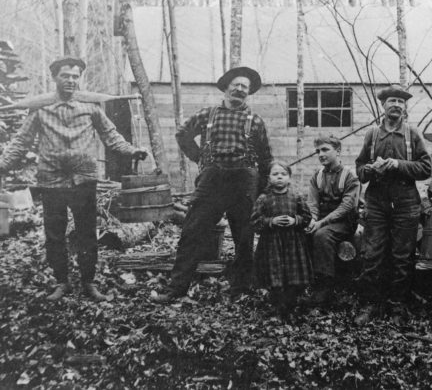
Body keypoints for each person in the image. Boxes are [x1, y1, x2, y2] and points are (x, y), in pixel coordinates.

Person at [0, 56, 148, 302]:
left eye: (75, 76)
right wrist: (2, 164)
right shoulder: (40, 108)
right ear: (55, 77)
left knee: (87, 234)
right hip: (51, 181)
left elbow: (111, 136)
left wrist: (132, 150)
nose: (70, 80)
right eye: (65, 75)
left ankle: (89, 282)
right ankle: (62, 282)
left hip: (84, 181)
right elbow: (21, 141)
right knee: (55, 234)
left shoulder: (91, 107)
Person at [151, 66, 272, 303]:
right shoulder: (207, 114)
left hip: (243, 184)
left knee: (244, 237)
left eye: (244, 87)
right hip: (211, 182)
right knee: (192, 231)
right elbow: (182, 134)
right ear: (226, 87)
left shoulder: (255, 121)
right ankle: (176, 288)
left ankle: (240, 289)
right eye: (235, 84)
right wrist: (200, 158)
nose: (239, 89)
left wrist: (263, 191)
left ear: (248, 93)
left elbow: (266, 158)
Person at [354, 85, 432, 325]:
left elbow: (426, 168)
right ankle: (370, 304)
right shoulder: (372, 135)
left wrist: (398, 165)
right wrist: (369, 169)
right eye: (392, 101)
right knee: (372, 253)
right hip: (376, 200)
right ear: (383, 106)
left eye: (400, 101)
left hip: (406, 201)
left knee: (402, 255)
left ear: (405, 107)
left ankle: (397, 306)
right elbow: (359, 169)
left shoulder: (412, 134)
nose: (396, 105)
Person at [251, 161, 313, 318]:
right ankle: (277, 304)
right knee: (275, 273)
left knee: (293, 274)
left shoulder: (297, 197)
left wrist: (295, 221)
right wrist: (271, 221)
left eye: (283, 174)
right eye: (275, 174)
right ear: (269, 178)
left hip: (293, 243)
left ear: (289, 178)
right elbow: (255, 221)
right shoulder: (264, 198)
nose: (279, 177)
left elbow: (307, 216)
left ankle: (292, 303)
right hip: (272, 244)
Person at [305, 134, 360, 305]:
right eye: (318, 151)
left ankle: (325, 286)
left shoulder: (350, 176)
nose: (321, 154)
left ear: (338, 151)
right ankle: (302, 282)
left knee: (322, 235)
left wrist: (320, 223)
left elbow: (346, 207)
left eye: (325, 150)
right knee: (303, 232)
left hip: (345, 222)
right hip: (322, 219)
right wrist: (312, 220)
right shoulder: (317, 176)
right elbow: (312, 202)